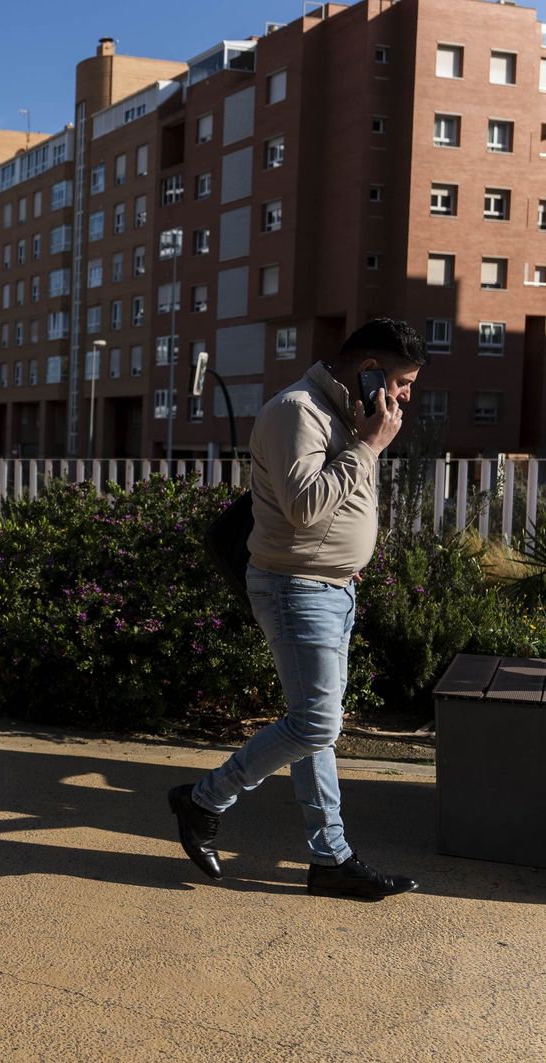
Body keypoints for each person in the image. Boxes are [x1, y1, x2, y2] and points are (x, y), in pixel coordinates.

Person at [169, 318, 425, 900]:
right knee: (317, 723)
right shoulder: (298, 412)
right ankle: (203, 800)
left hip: (333, 588)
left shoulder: (349, 414)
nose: (407, 395)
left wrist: (348, 556)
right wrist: (368, 444)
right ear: (369, 370)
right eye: (403, 381)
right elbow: (307, 506)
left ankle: (329, 858)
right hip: (295, 588)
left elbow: (339, 503)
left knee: (317, 731)